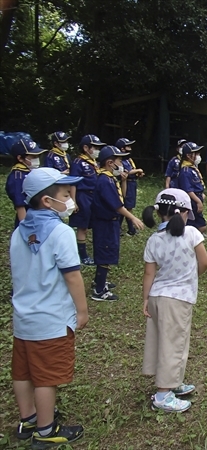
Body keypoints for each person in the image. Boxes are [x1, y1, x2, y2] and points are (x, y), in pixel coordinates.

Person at [10, 167, 88, 448]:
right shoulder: (61, 232)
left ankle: (28, 418)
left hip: (23, 317)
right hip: (51, 319)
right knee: (46, 377)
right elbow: (72, 275)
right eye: (65, 194)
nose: (70, 199)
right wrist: (82, 310)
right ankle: (45, 430)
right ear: (47, 201)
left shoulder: (19, 232)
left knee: (23, 371)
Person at [141, 189, 207, 413]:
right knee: (174, 344)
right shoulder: (191, 234)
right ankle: (163, 394)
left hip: (157, 296)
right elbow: (204, 262)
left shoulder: (154, 239)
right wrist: (192, 276)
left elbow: (149, 274)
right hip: (178, 299)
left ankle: (172, 382)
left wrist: (145, 299)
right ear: (185, 213)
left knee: (159, 340)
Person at [90, 146, 144, 301]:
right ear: (110, 162)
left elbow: (122, 197)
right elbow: (117, 205)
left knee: (108, 251)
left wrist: (124, 180)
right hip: (105, 223)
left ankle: (99, 280)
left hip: (110, 222)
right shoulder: (104, 180)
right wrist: (132, 218)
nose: (122, 163)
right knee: (105, 253)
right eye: (120, 160)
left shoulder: (110, 178)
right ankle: (99, 290)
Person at [69, 134, 105, 265]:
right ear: (85, 147)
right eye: (95, 147)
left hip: (94, 196)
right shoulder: (78, 162)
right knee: (82, 227)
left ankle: (95, 252)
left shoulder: (96, 163)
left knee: (94, 224)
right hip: (83, 196)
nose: (97, 150)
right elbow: (73, 183)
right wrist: (73, 201)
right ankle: (82, 255)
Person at [5, 138, 47, 228]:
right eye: (33, 157)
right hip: (28, 218)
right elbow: (20, 204)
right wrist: (26, 227)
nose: (37, 159)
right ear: (20, 158)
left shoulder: (31, 171)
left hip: (40, 215)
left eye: (38, 156)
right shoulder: (17, 176)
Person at [116, 138, 145, 236]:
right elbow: (127, 172)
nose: (130, 148)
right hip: (126, 183)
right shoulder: (121, 161)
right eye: (128, 146)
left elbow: (132, 170)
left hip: (132, 183)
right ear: (122, 149)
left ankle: (130, 228)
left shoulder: (129, 160)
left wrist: (138, 173)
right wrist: (138, 170)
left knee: (130, 206)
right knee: (125, 206)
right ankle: (123, 228)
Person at [176, 142, 207, 233]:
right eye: (196, 153)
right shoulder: (185, 171)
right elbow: (188, 189)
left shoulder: (192, 168)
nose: (198, 156)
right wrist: (198, 201)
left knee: (202, 226)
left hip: (197, 198)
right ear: (188, 155)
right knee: (191, 226)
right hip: (191, 201)